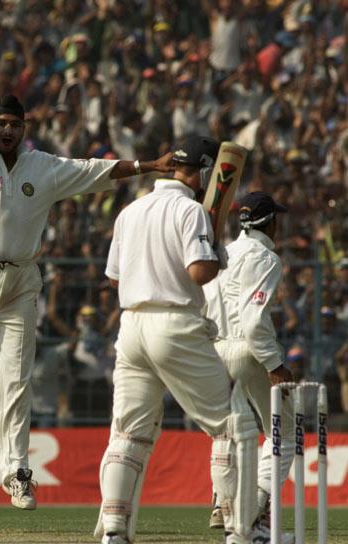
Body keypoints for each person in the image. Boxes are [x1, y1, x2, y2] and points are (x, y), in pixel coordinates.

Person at [0, 2, 174, 510]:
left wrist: (148, 165)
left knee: (15, 377)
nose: (7, 130)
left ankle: (16, 471)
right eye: (0, 123)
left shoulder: (44, 167)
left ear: (24, 129)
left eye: (15, 124)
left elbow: (99, 169)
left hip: (23, 282)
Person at [94, 135, 258, 544]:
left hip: (130, 327)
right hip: (176, 324)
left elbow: (114, 276)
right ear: (203, 171)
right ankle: (240, 529)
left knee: (128, 434)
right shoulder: (191, 211)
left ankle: (114, 529)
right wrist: (217, 253)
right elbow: (200, 273)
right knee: (232, 426)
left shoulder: (130, 212)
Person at [204, 192, 295, 542]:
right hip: (247, 350)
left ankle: (223, 507)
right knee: (284, 434)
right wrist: (275, 364)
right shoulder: (266, 257)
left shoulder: (223, 252)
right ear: (271, 221)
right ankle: (252, 511)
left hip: (214, 350)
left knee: (226, 431)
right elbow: (255, 320)